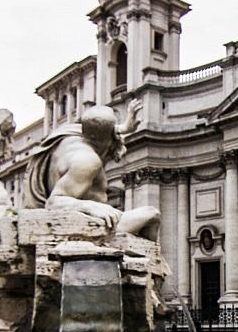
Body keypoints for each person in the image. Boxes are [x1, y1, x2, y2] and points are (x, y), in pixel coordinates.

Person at [25, 102, 160, 240]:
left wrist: (122, 129)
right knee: (152, 214)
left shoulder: (69, 137)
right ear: (109, 138)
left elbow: (97, 131)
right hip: (93, 223)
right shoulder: (88, 161)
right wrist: (90, 206)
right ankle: (147, 257)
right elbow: (54, 202)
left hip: (94, 216)